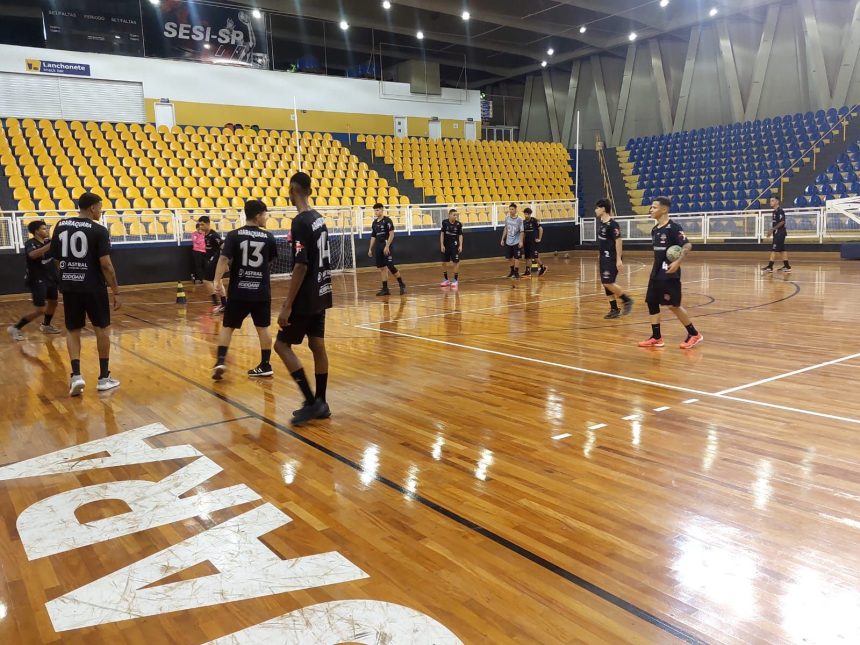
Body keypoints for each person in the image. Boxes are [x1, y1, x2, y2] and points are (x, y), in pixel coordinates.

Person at [274, 172, 333, 426]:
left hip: (307, 295)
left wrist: (287, 305)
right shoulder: (319, 218)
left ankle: (311, 401)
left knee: (281, 345)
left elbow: (301, 266)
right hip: (322, 290)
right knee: (317, 345)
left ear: (292, 190)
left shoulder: (300, 222)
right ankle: (321, 401)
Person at [49, 192, 121, 396]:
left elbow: (56, 258)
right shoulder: (99, 230)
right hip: (93, 287)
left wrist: (67, 273)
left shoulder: (61, 225)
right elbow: (106, 265)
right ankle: (104, 377)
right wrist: (116, 291)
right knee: (102, 329)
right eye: (100, 207)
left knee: (73, 329)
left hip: (70, 285)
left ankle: (76, 376)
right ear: (92, 208)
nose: (101, 210)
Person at [211, 200, 278, 380]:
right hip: (261, 291)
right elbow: (269, 261)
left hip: (239, 290)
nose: (266, 217)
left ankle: (220, 361)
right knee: (263, 328)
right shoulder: (269, 237)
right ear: (258, 216)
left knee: (227, 327)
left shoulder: (234, 235)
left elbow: (224, 259)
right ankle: (265, 365)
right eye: (265, 214)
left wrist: (217, 281)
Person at [638, 197, 703, 349]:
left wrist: (678, 261)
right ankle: (656, 337)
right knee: (652, 303)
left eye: (654, 207)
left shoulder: (674, 228)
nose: (651, 210)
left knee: (673, 305)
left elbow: (687, 245)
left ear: (664, 209)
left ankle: (694, 334)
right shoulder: (655, 230)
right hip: (655, 273)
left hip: (669, 274)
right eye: (651, 207)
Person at [7, 220, 62, 341]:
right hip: (37, 279)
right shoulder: (30, 243)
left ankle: (46, 325)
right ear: (36, 231)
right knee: (40, 310)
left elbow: (55, 259)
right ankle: (16, 327)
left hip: (50, 278)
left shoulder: (49, 242)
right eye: (43, 228)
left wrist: (59, 273)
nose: (46, 230)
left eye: (46, 228)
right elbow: (32, 255)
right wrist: (49, 246)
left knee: (53, 302)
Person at [595, 199, 633, 319]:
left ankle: (626, 300)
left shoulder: (613, 224)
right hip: (603, 258)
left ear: (603, 209)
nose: (595, 210)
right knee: (606, 284)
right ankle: (614, 309)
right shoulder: (601, 223)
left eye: (597, 208)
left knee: (608, 282)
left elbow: (618, 241)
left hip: (611, 258)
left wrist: (618, 259)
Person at [368, 203, 407, 296]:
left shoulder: (387, 220)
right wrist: (370, 248)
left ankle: (402, 284)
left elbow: (392, 234)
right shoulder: (374, 223)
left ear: (382, 210)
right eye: (375, 210)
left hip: (386, 246)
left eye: (377, 210)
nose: (376, 212)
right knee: (382, 268)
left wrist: (387, 246)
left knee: (390, 266)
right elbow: (373, 236)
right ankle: (385, 289)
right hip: (378, 246)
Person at [198, 216, 227, 313]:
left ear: (208, 224)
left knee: (207, 281)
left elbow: (223, 246)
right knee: (219, 282)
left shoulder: (214, 235)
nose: (200, 227)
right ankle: (224, 305)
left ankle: (216, 304)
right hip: (212, 261)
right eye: (200, 224)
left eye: (202, 224)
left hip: (216, 261)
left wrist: (224, 261)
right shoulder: (206, 234)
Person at [762, 196, 791, 273]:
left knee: (774, 249)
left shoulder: (780, 211)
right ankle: (787, 266)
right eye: (770, 201)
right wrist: (773, 231)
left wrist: (772, 229)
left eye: (772, 200)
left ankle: (770, 267)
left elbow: (782, 222)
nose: (770, 202)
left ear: (777, 202)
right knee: (782, 250)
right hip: (777, 233)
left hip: (780, 233)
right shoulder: (774, 212)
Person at [440, 208, 463, 288]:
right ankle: (446, 280)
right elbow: (442, 234)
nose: (455, 216)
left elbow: (460, 235)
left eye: (456, 215)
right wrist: (442, 245)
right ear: (449, 215)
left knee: (456, 262)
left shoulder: (458, 224)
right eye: (454, 215)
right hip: (446, 246)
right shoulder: (445, 223)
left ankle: (455, 280)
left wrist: (460, 245)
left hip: (454, 246)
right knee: (443, 262)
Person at [522, 207, 548, 277]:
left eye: (527, 214)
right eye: (525, 214)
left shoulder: (534, 220)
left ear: (530, 214)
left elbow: (540, 229)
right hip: (526, 241)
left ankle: (543, 267)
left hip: (533, 241)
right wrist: (522, 241)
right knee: (527, 256)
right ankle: (527, 271)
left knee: (534, 256)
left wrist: (539, 238)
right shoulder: (523, 222)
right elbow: (523, 233)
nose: (525, 215)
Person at [500, 203, 524, 279]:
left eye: (512, 209)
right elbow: (506, 228)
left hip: (516, 241)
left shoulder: (519, 219)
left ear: (516, 210)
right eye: (510, 209)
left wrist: (521, 241)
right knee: (509, 257)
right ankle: (512, 271)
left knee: (517, 257)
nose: (511, 211)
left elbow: (522, 231)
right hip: (508, 241)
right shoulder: (507, 218)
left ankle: (516, 272)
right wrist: (502, 239)